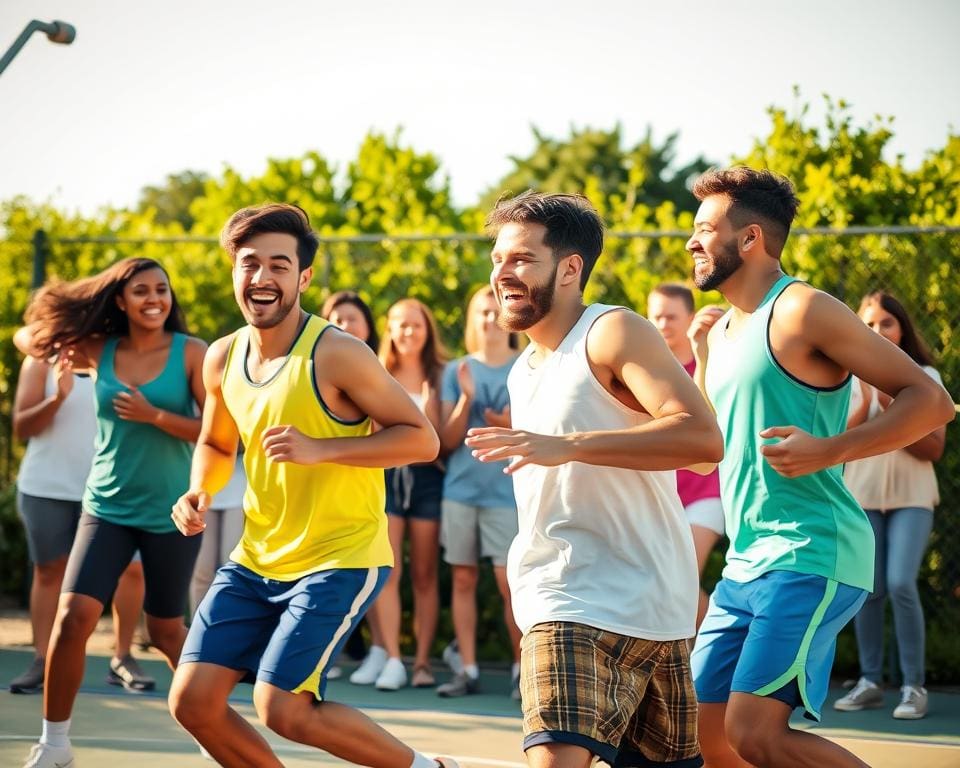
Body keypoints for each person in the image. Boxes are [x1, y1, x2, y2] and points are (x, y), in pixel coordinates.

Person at [168, 203, 457, 768]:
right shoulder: (222, 357)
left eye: (279, 265)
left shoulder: (338, 352)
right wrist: (198, 490)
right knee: (193, 702)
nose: (263, 278)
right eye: (250, 264)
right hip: (257, 557)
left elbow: (420, 440)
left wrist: (323, 448)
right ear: (235, 273)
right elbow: (217, 442)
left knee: (283, 708)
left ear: (302, 278)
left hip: (339, 556)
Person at [684, 167, 954, 768]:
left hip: (812, 553)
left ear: (750, 239)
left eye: (705, 229)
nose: (692, 242)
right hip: (746, 563)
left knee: (756, 732)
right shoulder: (725, 332)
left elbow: (930, 401)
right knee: (705, 734)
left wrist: (829, 450)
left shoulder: (803, 309)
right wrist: (701, 360)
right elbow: (709, 448)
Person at [466, 191, 723, 768]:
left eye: (521, 259)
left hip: (657, 606)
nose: (502, 273)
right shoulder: (520, 371)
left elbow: (704, 445)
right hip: (563, 596)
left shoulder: (611, 332)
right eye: (498, 258)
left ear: (570, 269)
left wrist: (569, 447)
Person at [15, 257, 207, 768]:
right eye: (140, 290)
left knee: (167, 631)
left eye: (161, 290)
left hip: (170, 511)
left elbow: (218, 432)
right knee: (73, 616)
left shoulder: (193, 353)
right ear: (120, 300)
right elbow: (28, 337)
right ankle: (54, 744)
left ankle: (220, 730)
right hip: (106, 508)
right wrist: (93, 293)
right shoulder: (99, 349)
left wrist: (157, 416)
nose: (154, 299)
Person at [9, 356, 153, 696]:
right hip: (47, 487)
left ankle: (122, 658)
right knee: (49, 571)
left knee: (132, 571)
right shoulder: (39, 362)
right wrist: (57, 397)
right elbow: (21, 428)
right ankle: (43, 660)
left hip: (113, 490)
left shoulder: (126, 356)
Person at [832, 291, 947, 720]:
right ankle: (870, 682)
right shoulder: (845, 378)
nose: (876, 331)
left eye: (886, 323)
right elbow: (840, 441)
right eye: (867, 324)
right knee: (869, 589)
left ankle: (914, 687)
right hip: (863, 497)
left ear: (901, 329)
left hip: (912, 497)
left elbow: (933, 448)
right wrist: (866, 398)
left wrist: (891, 401)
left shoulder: (925, 376)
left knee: (900, 582)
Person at [435, 285, 522, 699]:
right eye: (482, 312)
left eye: (495, 311)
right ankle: (467, 669)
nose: (489, 319)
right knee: (464, 580)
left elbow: (543, 434)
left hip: (507, 495)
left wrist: (509, 424)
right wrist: (465, 400)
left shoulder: (528, 365)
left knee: (511, 584)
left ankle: (524, 669)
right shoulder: (456, 371)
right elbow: (444, 442)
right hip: (460, 493)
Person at [364, 298, 447, 690]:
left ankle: (422, 662)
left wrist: (432, 417)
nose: (408, 332)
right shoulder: (376, 372)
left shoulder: (443, 375)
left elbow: (444, 442)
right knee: (389, 571)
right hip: (388, 476)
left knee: (425, 575)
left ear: (427, 330)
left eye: (415, 324)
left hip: (429, 478)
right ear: (389, 330)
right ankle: (393, 658)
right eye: (400, 324)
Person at [647, 282, 725, 629]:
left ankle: (718, 654)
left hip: (708, 490)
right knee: (662, 585)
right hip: (661, 492)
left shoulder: (710, 364)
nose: (663, 324)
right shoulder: (644, 371)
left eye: (671, 317)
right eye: (656, 317)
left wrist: (705, 352)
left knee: (679, 576)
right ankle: (690, 662)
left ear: (690, 317)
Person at [320, 290, 383, 674]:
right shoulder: (308, 366)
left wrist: (322, 448)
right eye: (335, 318)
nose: (343, 326)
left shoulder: (373, 371)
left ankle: (374, 652)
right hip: (318, 496)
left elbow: (415, 438)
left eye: (351, 318)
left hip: (363, 497)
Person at [188, 453, 246, 614]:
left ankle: (233, 625)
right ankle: (198, 628)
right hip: (203, 492)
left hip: (241, 491)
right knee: (201, 570)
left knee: (232, 568)